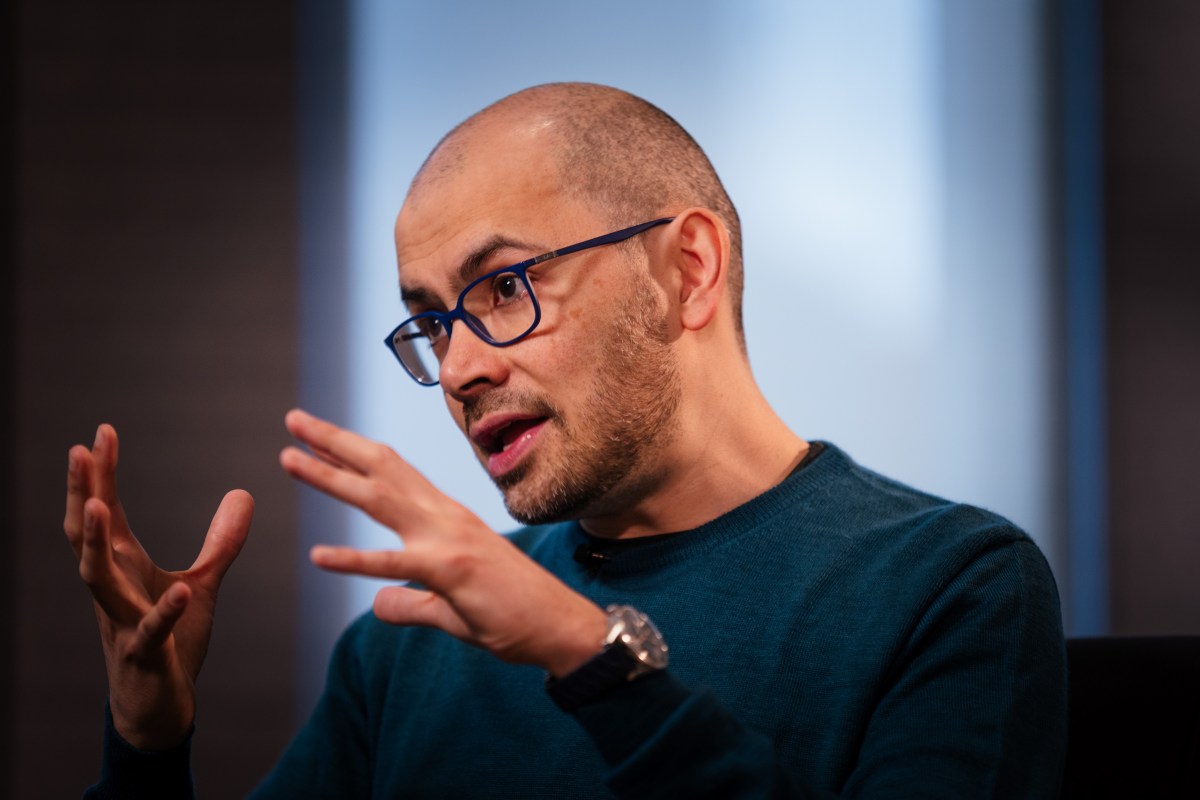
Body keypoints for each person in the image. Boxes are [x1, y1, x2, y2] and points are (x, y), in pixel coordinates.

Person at [66, 82, 1067, 798]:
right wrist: (146, 744)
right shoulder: (410, 642)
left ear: (687, 270)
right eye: (432, 322)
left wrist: (590, 656)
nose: (460, 369)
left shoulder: (952, 586)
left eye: (505, 287)